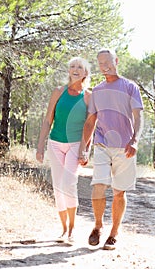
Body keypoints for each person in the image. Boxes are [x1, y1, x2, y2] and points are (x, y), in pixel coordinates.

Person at [79, 49, 144, 250]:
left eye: (107, 61)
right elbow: (91, 121)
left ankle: (114, 233)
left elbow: (138, 117)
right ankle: (98, 226)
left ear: (116, 61)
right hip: (101, 144)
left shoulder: (130, 87)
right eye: (100, 63)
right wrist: (84, 147)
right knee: (98, 185)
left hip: (125, 147)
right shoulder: (97, 90)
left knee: (118, 192)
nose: (104, 66)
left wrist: (135, 140)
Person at [36, 56, 91, 243]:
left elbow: (90, 126)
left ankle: (72, 229)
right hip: (55, 143)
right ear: (69, 71)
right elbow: (47, 120)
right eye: (72, 66)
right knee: (58, 187)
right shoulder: (58, 92)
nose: (75, 69)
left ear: (85, 73)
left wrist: (86, 150)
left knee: (68, 184)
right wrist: (40, 145)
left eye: (80, 67)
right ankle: (64, 229)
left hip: (75, 144)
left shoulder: (89, 96)